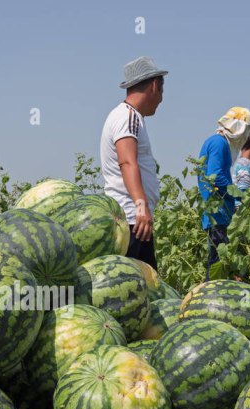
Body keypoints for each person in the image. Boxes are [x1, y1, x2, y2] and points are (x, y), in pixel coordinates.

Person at [100, 56, 167, 270]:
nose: (161, 99)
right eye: (162, 92)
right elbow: (127, 162)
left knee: (145, 286)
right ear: (155, 85)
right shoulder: (127, 116)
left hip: (133, 220)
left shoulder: (129, 116)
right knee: (135, 287)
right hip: (132, 220)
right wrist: (141, 205)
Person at [197, 107, 250, 280]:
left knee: (220, 264)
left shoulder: (217, 142)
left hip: (220, 213)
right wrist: (240, 196)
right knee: (218, 266)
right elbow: (216, 177)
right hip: (217, 214)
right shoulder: (219, 143)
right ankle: (209, 302)